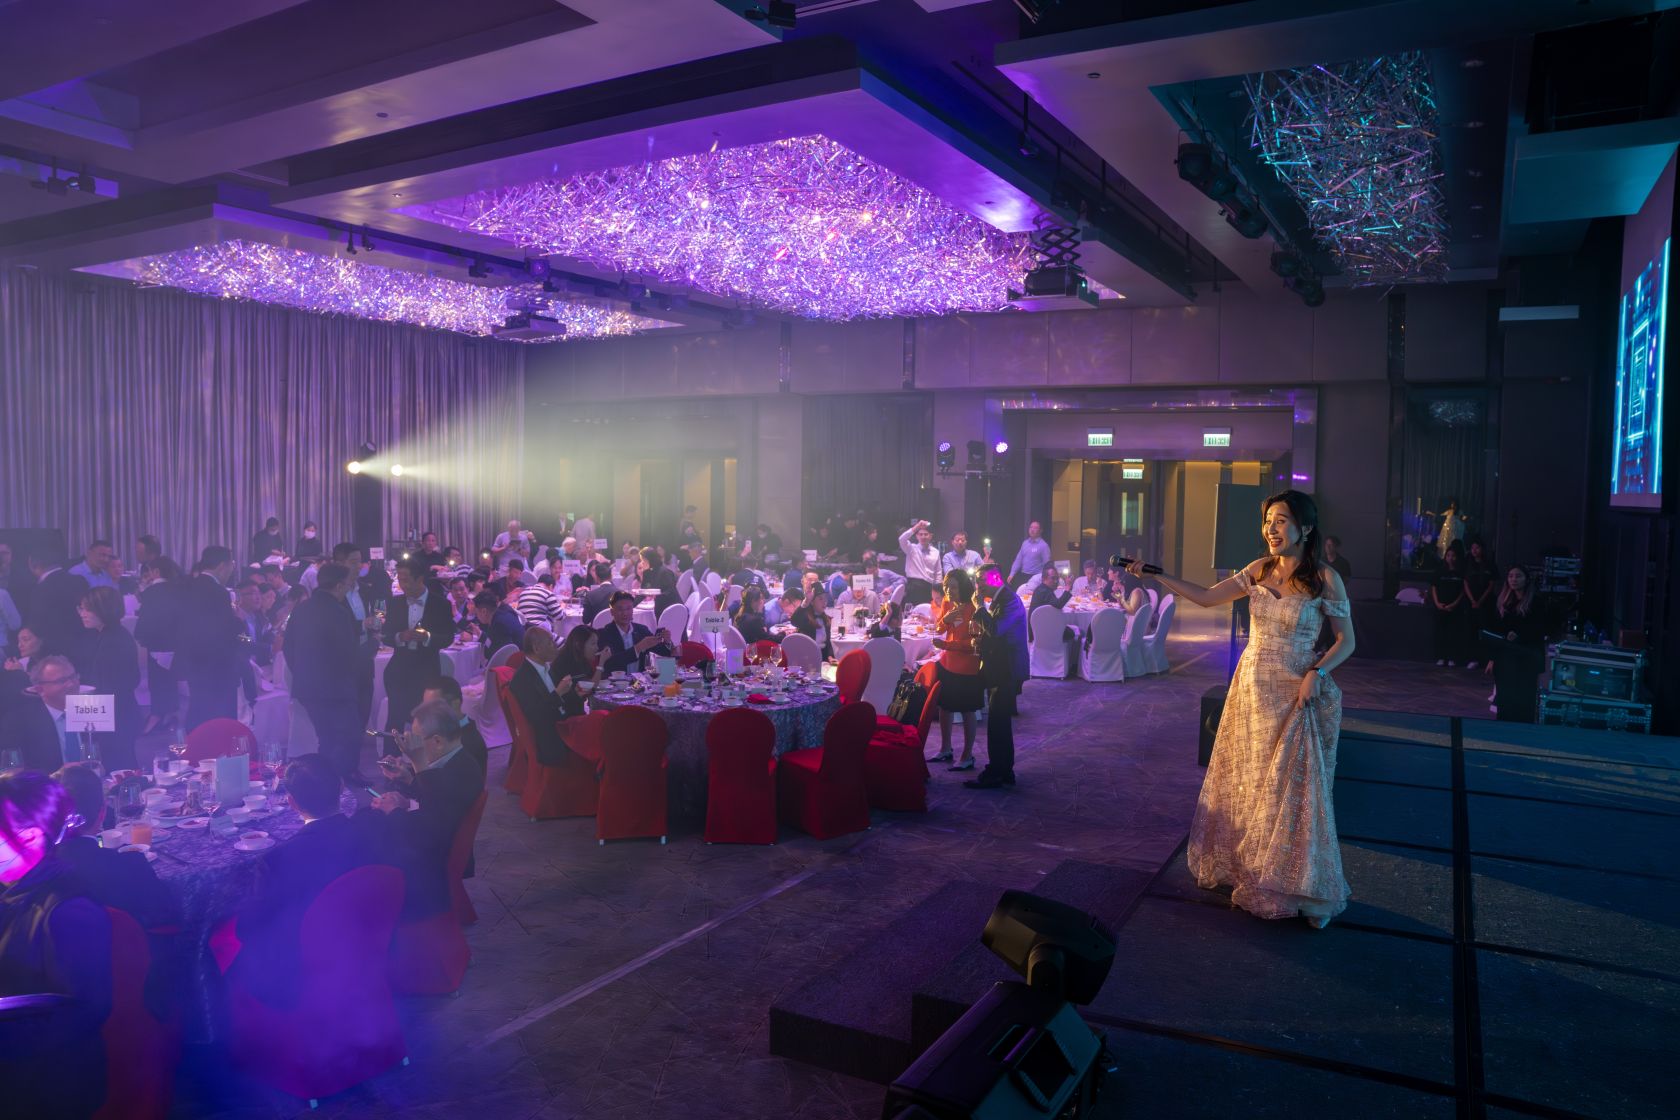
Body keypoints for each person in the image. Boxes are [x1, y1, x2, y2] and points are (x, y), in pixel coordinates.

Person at [1125, 489, 1354, 926]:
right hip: (1251, 689)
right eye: (1268, 520)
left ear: (1305, 527)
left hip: (1295, 691)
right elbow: (1205, 596)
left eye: (1281, 520)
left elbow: (1347, 641)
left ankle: (1300, 885)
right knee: (1250, 780)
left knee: (1291, 790)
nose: (1271, 528)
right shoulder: (1258, 569)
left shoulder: (1325, 578)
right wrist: (1158, 575)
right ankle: (1252, 870)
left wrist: (1317, 673)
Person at [218, 754, 386, 1007]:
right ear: (341, 787)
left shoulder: (278, 859)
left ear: (292, 803)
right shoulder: (372, 829)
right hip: (366, 944)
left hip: (301, 970)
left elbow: (249, 928)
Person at [0, 770, 113, 1119]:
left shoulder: (69, 912)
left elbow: (84, 1014)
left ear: (31, 837)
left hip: (46, 1087)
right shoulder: (13, 888)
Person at [50, 764, 179, 1012]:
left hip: (57, 1002)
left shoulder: (31, 875)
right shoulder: (130, 867)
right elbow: (169, 917)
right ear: (102, 814)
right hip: (135, 993)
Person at [285, 563, 366, 779]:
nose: (347, 590)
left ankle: (326, 782)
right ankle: (338, 782)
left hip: (307, 687)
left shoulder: (301, 609)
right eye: (347, 585)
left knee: (327, 738)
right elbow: (348, 654)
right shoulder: (338, 612)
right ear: (338, 586)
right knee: (347, 737)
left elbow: (288, 647)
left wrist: (302, 671)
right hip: (335, 688)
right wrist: (373, 644)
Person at [963, 564, 1030, 792]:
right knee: (999, 722)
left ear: (995, 579)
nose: (978, 585)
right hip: (1001, 667)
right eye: (977, 580)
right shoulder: (1000, 599)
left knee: (998, 723)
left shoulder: (1010, 600)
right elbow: (995, 634)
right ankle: (1003, 771)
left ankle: (996, 773)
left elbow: (996, 629)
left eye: (982, 579)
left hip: (1007, 669)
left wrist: (979, 607)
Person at [381, 560, 456, 733]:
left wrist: (427, 637)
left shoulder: (440, 604)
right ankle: (392, 751)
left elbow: (448, 637)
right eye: (399, 579)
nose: (402, 585)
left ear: (420, 578)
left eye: (406, 579)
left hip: (427, 672)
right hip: (398, 671)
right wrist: (400, 637)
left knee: (427, 724)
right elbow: (385, 635)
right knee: (394, 723)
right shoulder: (395, 603)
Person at [175, 546, 244, 731]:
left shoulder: (186, 586)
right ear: (222, 566)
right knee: (219, 717)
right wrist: (240, 623)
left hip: (192, 661)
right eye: (232, 565)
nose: (232, 570)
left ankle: (194, 745)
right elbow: (226, 632)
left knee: (198, 709)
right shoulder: (218, 592)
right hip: (216, 665)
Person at [75, 587, 140, 772]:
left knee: (119, 769)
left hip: (116, 716)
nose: (82, 614)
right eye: (81, 608)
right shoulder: (109, 634)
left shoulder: (113, 640)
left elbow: (115, 686)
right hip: (116, 713)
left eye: (88, 609)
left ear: (103, 610)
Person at [509, 629, 594, 766]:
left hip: (564, 722)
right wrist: (558, 693)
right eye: (550, 643)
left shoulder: (547, 667)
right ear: (537, 649)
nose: (555, 646)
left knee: (601, 724)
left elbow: (561, 701)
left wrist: (576, 694)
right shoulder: (523, 678)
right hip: (550, 736)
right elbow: (536, 716)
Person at [929, 569, 984, 770]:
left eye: (953, 587)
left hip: (968, 666)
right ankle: (945, 749)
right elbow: (939, 629)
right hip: (948, 663)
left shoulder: (974, 607)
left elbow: (974, 644)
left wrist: (947, 645)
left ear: (963, 587)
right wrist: (946, 619)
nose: (948, 591)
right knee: (945, 707)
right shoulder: (947, 602)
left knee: (968, 710)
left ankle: (967, 756)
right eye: (946, 587)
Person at [1485, 565, 1546, 722]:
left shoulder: (1536, 602)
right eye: (1511, 576)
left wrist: (1520, 635)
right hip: (1505, 657)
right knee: (1505, 698)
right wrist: (1492, 659)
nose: (1513, 579)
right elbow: (1496, 630)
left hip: (1526, 657)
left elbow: (1540, 628)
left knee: (1523, 698)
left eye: (1518, 576)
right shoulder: (1504, 602)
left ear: (1526, 580)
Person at [22, 548, 90, 672]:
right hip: (84, 647)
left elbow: (37, 626)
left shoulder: (41, 589)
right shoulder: (80, 580)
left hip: (54, 653)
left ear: (33, 564)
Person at [420, 677, 488, 780]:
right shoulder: (443, 732)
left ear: (455, 704)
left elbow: (442, 786)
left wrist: (417, 763)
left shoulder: (469, 744)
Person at [595, 591, 672, 675]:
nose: (625, 613)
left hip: (639, 681)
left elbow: (661, 653)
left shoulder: (642, 630)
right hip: (615, 681)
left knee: (668, 675)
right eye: (620, 609)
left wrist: (667, 642)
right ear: (612, 612)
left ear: (632, 610)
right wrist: (638, 648)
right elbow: (611, 663)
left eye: (628, 608)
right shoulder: (605, 634)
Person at [1430, 541, 1470, 667]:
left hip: (1455, 608)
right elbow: (1434, 587)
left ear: (1457, 557)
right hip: (1440, 606)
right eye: (1448, 555)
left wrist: (1454, 604)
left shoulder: (1461, 572)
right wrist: (1437, 603)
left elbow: (1463, 590)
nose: (1450, 558)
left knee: (1454, 633)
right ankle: (1441, 657)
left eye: (1453, 556)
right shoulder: (1439, 570)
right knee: (1440, 632)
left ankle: (1452, 657)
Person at [898, 519, 941, 607]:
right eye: (920, 534)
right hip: (914, 586)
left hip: (930, 587)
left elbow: (938, 572)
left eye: (926, 534)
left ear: (930, 536)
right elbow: (901, 539)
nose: (923, 537)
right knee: (913, 613)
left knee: (928, 612)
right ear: (917, 536)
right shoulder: (911, 548)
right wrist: (917, 526)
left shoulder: (936, 552)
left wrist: (938, 589)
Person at [472, 591, 526, 660]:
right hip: (522, 656)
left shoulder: (498, 624)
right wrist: (480, 635)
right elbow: (495, 644)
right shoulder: (504, 614)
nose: (477, 617)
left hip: (518, 662)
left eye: (476, 613)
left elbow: (492, 655)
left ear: (484, 611)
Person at [234, 578, 275, 668]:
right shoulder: (234, 618)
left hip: (261, 667)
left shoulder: (261, 618)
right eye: (252, 593)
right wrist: (271, 648)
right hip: (241, 668)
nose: (258, 597)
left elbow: (270, 635)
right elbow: (244, 641)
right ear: (239, 597)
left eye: (259, 593)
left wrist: (274, 643)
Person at [790, 586, 836, 663]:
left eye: (825, 598)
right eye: (820, 599)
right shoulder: (805, 619)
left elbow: (827, 643)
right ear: (812, 602)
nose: (824, 601)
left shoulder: (826, 619)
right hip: (807, 659)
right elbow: (794, 621)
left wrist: (830, 656)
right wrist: (806, 601)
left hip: (823, 659)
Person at [1007, 521, 1051, 590]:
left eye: (1035, 528)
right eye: (1031, 527)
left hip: (1036, 578)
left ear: (1040, 531)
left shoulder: (1044, 546)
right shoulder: (1025, 543)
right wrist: (1012, 574)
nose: (1032, 530)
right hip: (1023, 576)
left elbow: (1047, 564)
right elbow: (1018, 560)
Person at [638, 547, 680, 616]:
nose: (642, 564)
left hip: (673, 612)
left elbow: (669, 593)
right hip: (662, 609)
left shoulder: (665, 572)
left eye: (643, 561)